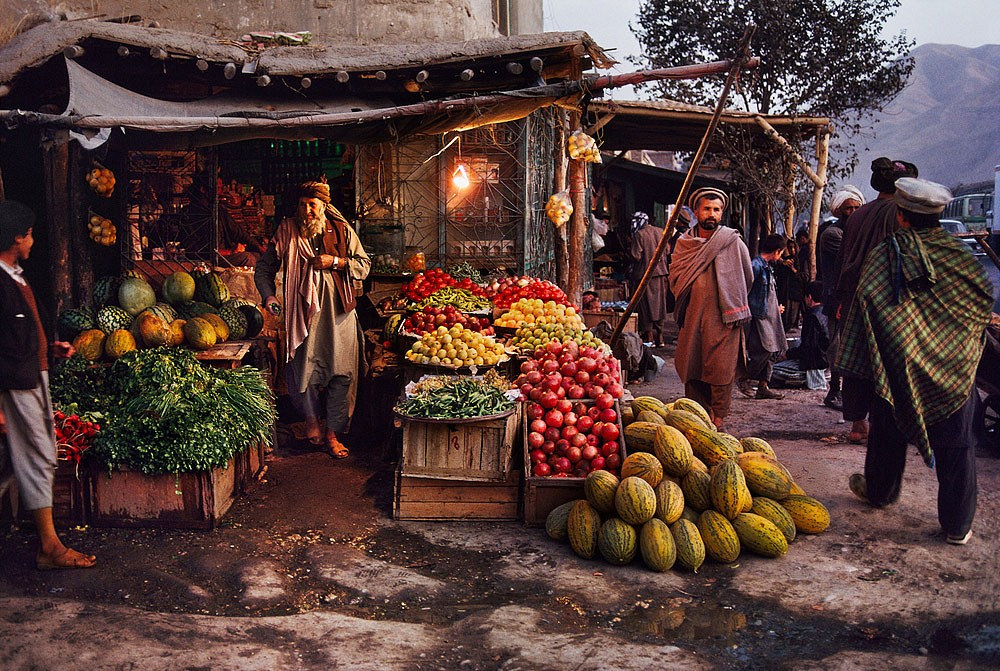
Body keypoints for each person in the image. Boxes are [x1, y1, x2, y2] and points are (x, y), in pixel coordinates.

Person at [835, 178, 993, 546]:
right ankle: (957, 526)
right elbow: (981, 304)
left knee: (888, 426)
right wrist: (956, 344)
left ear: (901, 215)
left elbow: (867, 305)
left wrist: (897, 342)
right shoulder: (961, 257)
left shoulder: (886, 254)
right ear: (938, 216)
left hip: (899, 367)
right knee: (956, 445)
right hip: (953, 369)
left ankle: (880, 492)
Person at [0, 201, 96, 570]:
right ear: (15, 238)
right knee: (38, 456)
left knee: (31, 457)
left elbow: (19, 332)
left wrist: (51, 349)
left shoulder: (17, 276)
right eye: (29, 234)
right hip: (16, 384)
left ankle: (48, 543)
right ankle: (49, 546)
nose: (33, 240)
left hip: (34, 376)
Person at [255, 179, 371, 458]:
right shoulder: (286, 231)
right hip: (301, 318)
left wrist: (335, 262)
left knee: (341, 374)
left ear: (323, 207)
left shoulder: (342, 230)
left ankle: (332, 433)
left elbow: (364, 265)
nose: (308, 210)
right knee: (302, 373)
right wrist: (270, 297)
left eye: (313, 205)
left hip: (339, 315)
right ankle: (310, 422)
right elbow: (263, 270)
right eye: (303, 205)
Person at [834, 158, 918, 444]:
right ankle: (889, 423)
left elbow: (845, 258)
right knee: (887, 361)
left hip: (855, 296)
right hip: (888, 300)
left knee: (858, 360)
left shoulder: (858, 214)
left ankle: (859, 424)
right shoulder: (902, 214)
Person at [669, 187, 753, 429]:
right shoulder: (685, 243)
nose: (712, 214)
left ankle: (719, 419)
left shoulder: (732, 241)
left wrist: (732, 300)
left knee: (721, 371)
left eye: (717, 210)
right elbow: (675, 277)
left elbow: (747, 276)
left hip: (724, 319)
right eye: (707, 208)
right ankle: (697, 420)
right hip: (693, 316)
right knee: (692, 366)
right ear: (696, 211)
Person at [817, 186, 865, 410]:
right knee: (837, 346)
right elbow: (851, 264)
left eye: (856, 208)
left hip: (848, 298)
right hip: (836, 299)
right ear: (839, 211)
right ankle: (834, 391)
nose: (853, 212)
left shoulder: (850, 234)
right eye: (848, 208)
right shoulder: (832, 235)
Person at [737, 233, 787, 400]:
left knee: (776, 349)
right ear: (777, 251)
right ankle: (743, 377)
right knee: (764, 350)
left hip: (771, 316)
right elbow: (745, 291)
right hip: (759, 317)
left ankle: (763, 386)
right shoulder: (755, 266)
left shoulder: (768, 267)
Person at [628, 211, 670, 347]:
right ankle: (661, 338)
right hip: (661, 274)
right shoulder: (660, 231)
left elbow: (636, 255)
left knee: (646, 306)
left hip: (645, 275)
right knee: (660, 306)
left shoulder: (639, 234)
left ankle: (650, 338)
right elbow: (668, 250)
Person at [785, 281, 831, 391]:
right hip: (825, 361)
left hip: (814, 364)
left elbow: (808, 348)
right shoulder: (825, 312)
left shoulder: (812, 316)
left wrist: (787, 355)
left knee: (774, 370)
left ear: (809, 297)